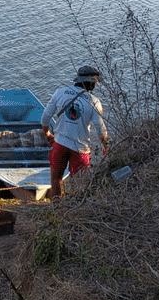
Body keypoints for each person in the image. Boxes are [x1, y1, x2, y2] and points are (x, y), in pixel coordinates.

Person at [41, 65, 110, 199]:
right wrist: (105, 146)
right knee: (80, 184)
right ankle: (75, 209)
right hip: (80, 149)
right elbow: (101, 130)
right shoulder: (94, 102)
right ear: (91, 83)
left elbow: (45, 117)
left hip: (60, 143)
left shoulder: (60, 92)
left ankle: (57, 210)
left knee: (56, 179)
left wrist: (47, 133)